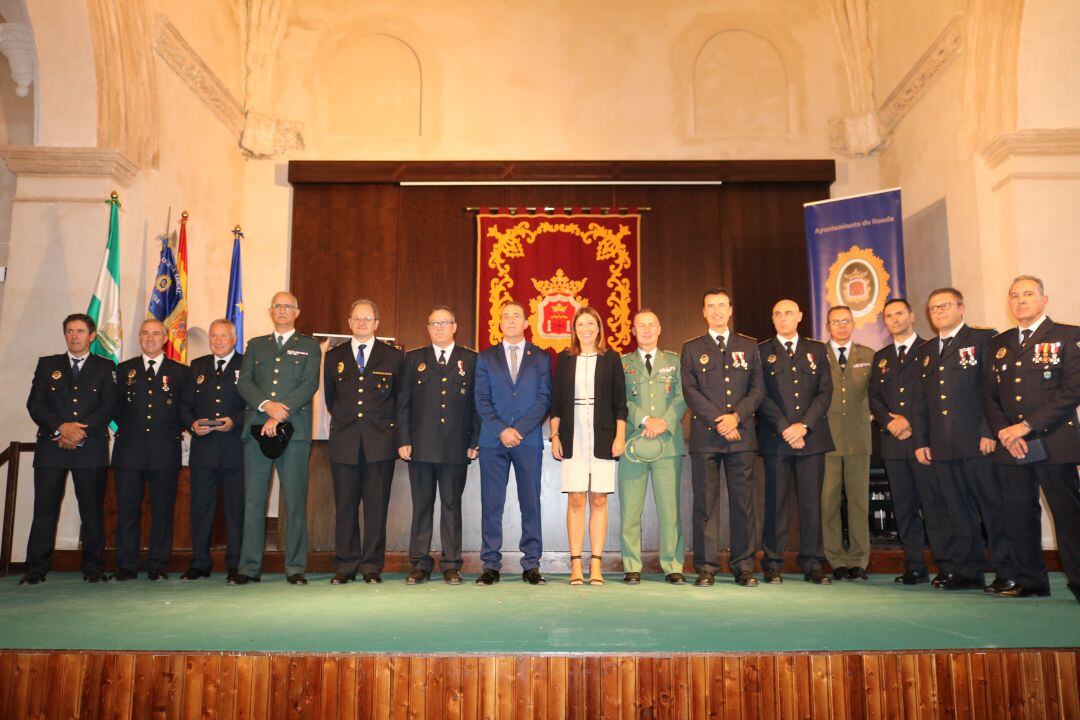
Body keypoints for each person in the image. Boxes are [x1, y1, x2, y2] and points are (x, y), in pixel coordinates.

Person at [983, 275, 1080, 601]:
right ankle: (1031, 581)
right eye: (1014, 295)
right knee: (1018, 516)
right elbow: (990, 396)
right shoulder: (999, 344)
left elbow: (1071, 391)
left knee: (1067, 517)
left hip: (1054, 443)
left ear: (1044, 299)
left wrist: (1026, 427)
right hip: (1011, 446)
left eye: (1027, 294)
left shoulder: (1069, 336)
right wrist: (1005, 432)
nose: (1020, 300)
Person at [912, 287, 1010, 592]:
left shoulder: (983, 339)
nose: (938, 312)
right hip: (942, 443)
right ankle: (968, 571)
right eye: (933, 308)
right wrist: (922, 439)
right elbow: (921, 402)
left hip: (977, 441)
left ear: (961, 308)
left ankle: (1007, 570)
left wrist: (987, 430)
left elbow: (993, 389)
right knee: (957, 511)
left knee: (992, 508)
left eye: (944, 306)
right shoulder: (927, 350)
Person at [231, 292, 320, 586]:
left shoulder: (309, 346)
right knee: (254, 500)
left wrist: (278, 413)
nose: (282, 310)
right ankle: (248, 567)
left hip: (293, 433)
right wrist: (265, 406)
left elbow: (309, 384)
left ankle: (295, 568)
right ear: (270, 311)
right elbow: (244, 382)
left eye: (287, 306)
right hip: (256, 431)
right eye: (277, 306)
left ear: (297, 311)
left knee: (294, 501)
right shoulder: (256, 345)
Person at [21, 313, 116, 585]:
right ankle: (36, 568)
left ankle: (93, 567)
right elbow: (35, 404)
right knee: (44, 510)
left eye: (79, 331)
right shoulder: (47, 364)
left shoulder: (105, 366)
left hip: (91, 448)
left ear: (92, 335)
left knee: (92, 511)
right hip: (52, 447)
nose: (74, 336)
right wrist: (61, 427)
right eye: (69, 331)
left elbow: (109, 405)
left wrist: (78, 431)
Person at [680, 289, 764, 588]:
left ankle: (744, 566)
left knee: (744, 504)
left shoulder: (749, 346)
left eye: (721, 306)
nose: (716, 311)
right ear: (703, 312)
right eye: (710, 306)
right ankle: (705, 567)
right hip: (707, 437)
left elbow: (757, 390)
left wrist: (735, 418)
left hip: (741, 436)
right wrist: (720, 421)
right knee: (705, 505)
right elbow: (691, 392)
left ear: (730, 310)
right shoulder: (691, 348)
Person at [869, 298, 951, 585]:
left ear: (912, 315)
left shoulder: (931, 349)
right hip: (893, 443)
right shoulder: (881, 357)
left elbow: (934, 393)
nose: (894, 319)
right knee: (903, 508)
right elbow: (875, 399)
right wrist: (890, 422)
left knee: (933, 505)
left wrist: (910, 423)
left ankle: (946, 565)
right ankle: (915, 567)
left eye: (899, 314)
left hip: (923, 441)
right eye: (889, 316)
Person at [397, 305, 479, 585]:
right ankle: (419, 563)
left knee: (451, 506)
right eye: (434, 324)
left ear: (455, 326)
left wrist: (474, 440)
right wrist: (404, 439)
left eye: (445, 323)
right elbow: (403, 405)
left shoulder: (470, 359)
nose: (439, 328)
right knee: (421, 506)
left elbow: (476, 406)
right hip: (420, 446)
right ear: (428, 328)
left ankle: (451, 564)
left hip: (456, 447)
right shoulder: (413, 359)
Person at [323, 299, 404, 585]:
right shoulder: (334, 356)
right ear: (349, 322)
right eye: (356, 318)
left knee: (375, 508)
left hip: (379, 442)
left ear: (377, 324)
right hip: (345, 442)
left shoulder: (393, 356)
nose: (361, 322)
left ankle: (371, 566)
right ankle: (345, 565)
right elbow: (331, 400)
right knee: (345, 507)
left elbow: (399, 401)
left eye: (367, 318)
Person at [756, 299, 834, 584]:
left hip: (811, 438)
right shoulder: (762, 351)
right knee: (775, 504)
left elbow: (825, 393)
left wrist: (804, 426)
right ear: (772, 319)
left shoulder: (816, 350)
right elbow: (759, 394)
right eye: (777, 314)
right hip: (777, 439)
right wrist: (785, 427)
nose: (782, 318)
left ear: (800, 316)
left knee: (812, 504)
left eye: (788, 313)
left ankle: (812, 562)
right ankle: (773, 562)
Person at [474, 301, 552, 585]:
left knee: (530, 503)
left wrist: (517, 430)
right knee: (491, 504)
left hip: (528, 440)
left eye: (515, 316)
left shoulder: (541, 357)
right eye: (505, 316)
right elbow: (480, 399)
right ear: (499, 323)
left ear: (526, 322)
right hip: (493, 441)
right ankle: (490, 564)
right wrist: (501, 430)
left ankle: (531, 564)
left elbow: (544, 399)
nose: (510, 320)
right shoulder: (485, 358)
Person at [550, 306, 627, 586]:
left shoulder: (611, 359)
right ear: (574, 329)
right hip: (573, 435)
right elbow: (556, 403)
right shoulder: (565, 360)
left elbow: (621, 403)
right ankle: (575, 566)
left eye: (590, 323)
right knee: (576, 499)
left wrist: (620, 437)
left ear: (598, 328)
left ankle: (596, 565)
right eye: (580, 324)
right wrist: (555, 436)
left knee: (598, 498)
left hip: (604, 434)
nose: (585, 328)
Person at [111, 319, 191, 581]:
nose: (150, 337)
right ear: (139, 337)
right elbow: (115, 409)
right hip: (129, 451)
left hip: (164, 451)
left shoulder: (180, 372)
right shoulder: (124, 370)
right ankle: (127, 563)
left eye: (156, 333)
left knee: (163, 511)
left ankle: (157, 564)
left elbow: (185, 409)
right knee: (127, 510)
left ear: (165, 338)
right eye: (145, 333)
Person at [619, 310, 688, 585]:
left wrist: (664, 422)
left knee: (670, 509)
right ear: (632, 330)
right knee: (630, 509)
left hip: (668, 444)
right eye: (640, 325)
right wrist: (646, 419)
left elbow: (683, 396)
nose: (646, 329)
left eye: (651, 325)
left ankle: (673, 564)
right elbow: (620, 399)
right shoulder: (622, 363)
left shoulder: (675, 361)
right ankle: (631, 564)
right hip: (634, 444)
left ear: (659, 328)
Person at [181, 319, 245, 581]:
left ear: (234, 339)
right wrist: (192, 424)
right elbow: (183, 405)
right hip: (204, 450)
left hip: (235, 450)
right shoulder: (197, 366)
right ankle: (200, 562)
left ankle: (235, 563)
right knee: (200, 508)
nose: (218, 341)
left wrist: (235, 422)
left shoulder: (247, 365)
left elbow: (255, 405)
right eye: (214, 336)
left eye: (223, 336)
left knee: (236, 508)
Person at [821, 306, 874, 581]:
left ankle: (858, 560)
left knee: (858, 502)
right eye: (835, 322)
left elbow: (876, 392)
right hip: (826, 437)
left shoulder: (868, 355)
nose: (841, 326)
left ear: (853, 324)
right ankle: (835, 559)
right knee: (828, 502)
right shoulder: (818, 355)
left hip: (858, 438)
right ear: (827, 325)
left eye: (846, 321)